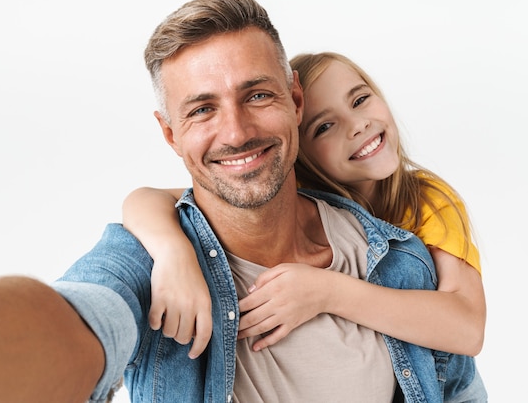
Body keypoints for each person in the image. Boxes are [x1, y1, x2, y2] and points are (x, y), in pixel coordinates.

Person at [0, 0, 481, 403]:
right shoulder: (148, 263)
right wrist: (168, 253)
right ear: (170, 134)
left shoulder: (399, 255)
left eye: (257, 95)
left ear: (294, 100)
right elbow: (86, 316)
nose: (235, 133)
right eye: (202, 109)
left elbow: (458, 380)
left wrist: (330, 291)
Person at [122, 51, 488, 402]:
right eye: (325, 126)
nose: (357, 125)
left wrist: (329, 292)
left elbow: (467, 328)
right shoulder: (294, 196)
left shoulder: (424, 199)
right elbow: (147, 199)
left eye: (360, 100)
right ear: (299, 149)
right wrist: (174, 255)